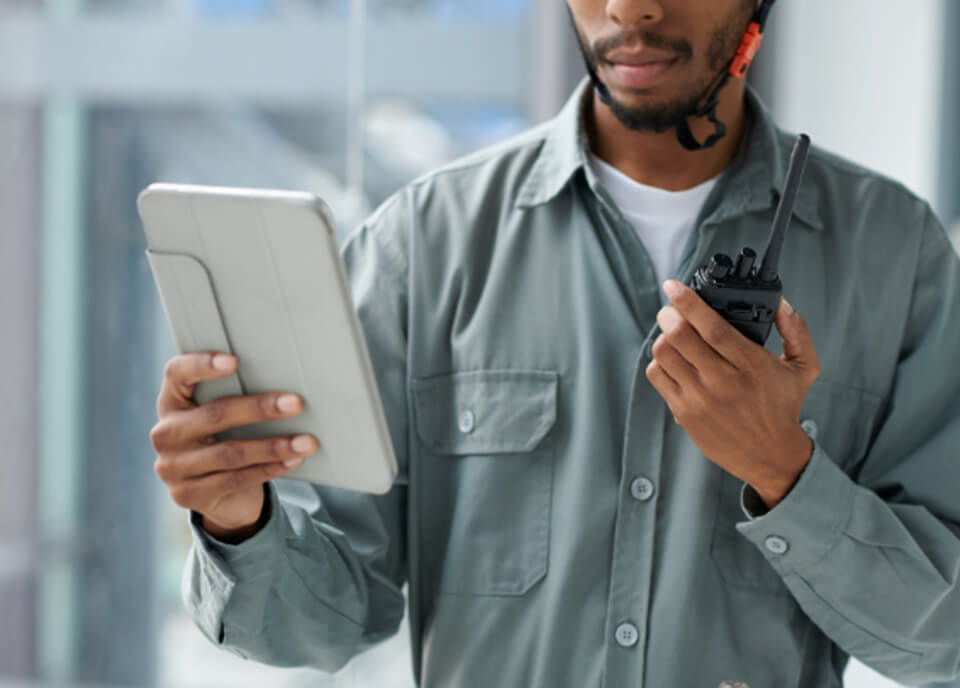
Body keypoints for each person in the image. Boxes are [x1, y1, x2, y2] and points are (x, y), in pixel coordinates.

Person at [149, 1, 960, 686]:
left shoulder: (894, 255)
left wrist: (786, 473)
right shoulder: (422, 248)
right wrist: (236, 520)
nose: (630, 9)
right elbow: (319, 628)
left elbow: (944, 638)